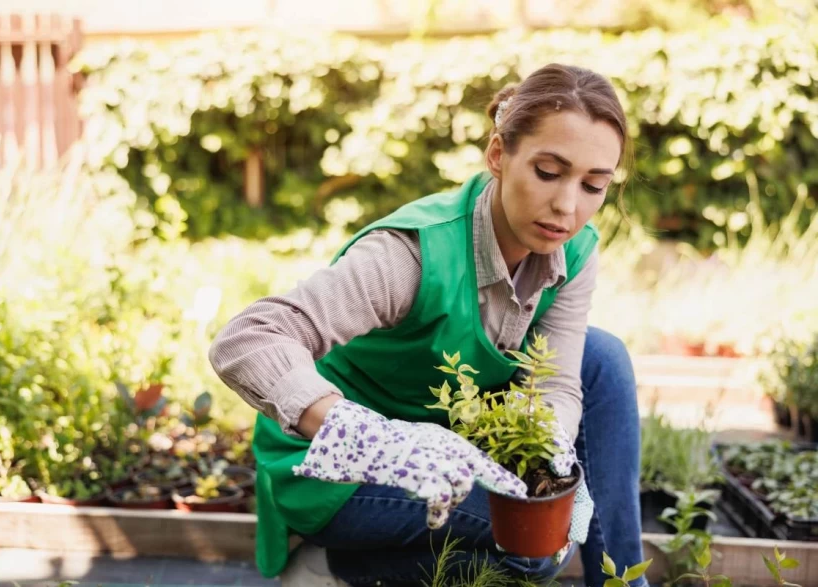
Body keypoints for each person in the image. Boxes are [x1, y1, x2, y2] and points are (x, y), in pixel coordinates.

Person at [209, 63, 647, 587]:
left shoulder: (572, 249)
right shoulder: (411, 256)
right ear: (498, 155)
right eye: (548, 173)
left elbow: (554, 381)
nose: (567, 206)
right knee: (528, 549)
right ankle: (337, 567)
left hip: (449, 450)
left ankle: (622, 583)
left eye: (594, 185)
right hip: (337, 469)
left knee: (601, 362)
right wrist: (375, 440)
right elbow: (249, 338)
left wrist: (550, 456)